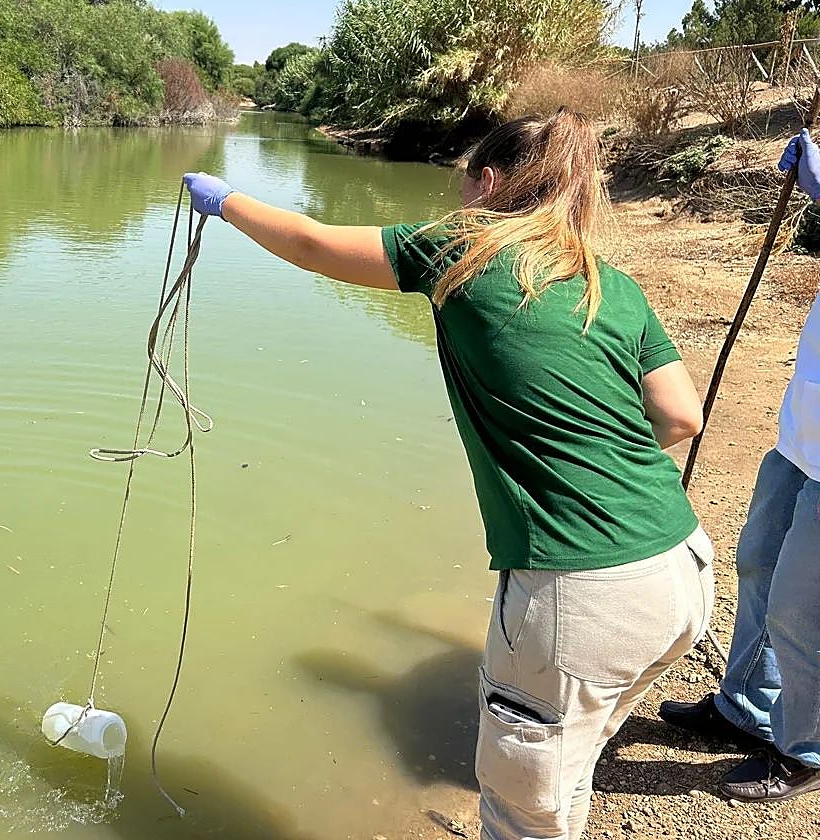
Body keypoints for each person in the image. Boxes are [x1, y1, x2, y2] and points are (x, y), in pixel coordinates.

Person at [183, 108, 712, 840]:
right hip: (682, 571)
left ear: (487, 182)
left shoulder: (464, 252)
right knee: (570, 768)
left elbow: (309, 242)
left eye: (463, 183)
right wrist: (593, 466)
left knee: (521, 815)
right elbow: (682, 417)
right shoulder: (611, 284)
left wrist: (226, 202)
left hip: (581, 597)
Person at [659, 128, 820, 804]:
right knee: (758, 562)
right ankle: (746, 707)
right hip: (804, 431)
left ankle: (805, 749)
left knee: (803, 608)